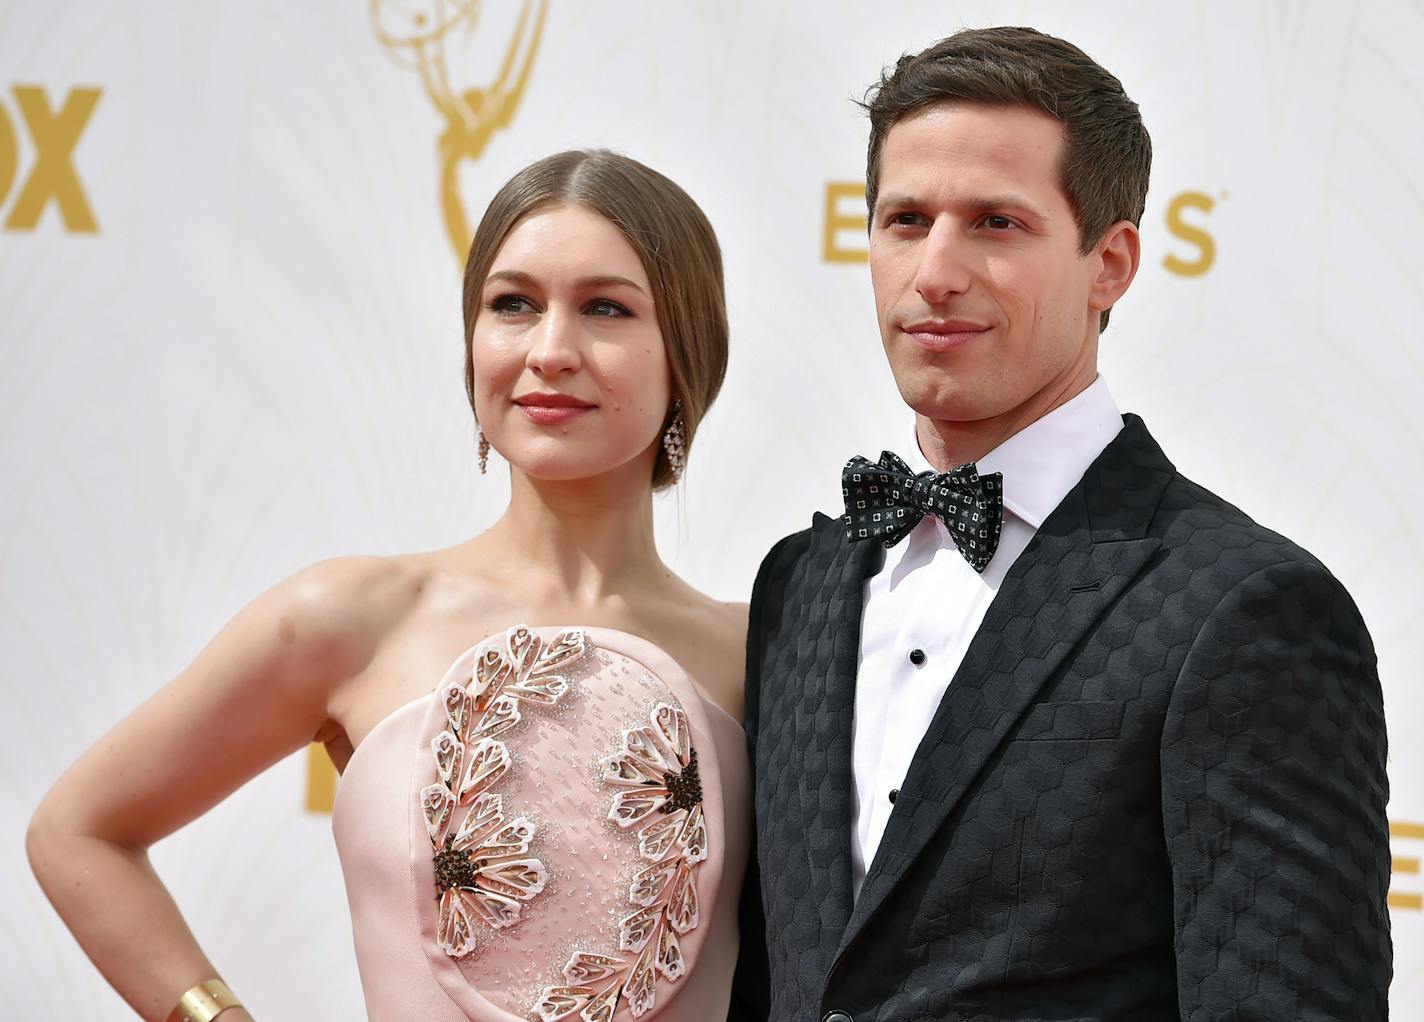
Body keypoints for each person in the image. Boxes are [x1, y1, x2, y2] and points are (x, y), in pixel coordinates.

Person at [733, 26, 1391, 1022]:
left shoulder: (1241, 606)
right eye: (904, 220)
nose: (934, 272)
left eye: (995, 223)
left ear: (1109, 261)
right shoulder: (798, 582)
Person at [28, 149, 751, 1022]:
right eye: (512, 304)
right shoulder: (354, 619)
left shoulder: (768, 652)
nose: (550, 349)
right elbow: (79, 831)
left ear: (688, 349)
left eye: (605, 308)